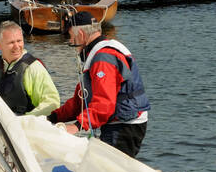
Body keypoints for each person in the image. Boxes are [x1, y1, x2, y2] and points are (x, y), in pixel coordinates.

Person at [48, 11, 150, 157]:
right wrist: (52, 118)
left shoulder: (102, 59)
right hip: (118, 124)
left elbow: (104, 104)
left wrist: (77, 126)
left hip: (124, 126)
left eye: (71, 36)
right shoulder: (99, 54)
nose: (71, 42)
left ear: (81, 35)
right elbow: (81, 99)